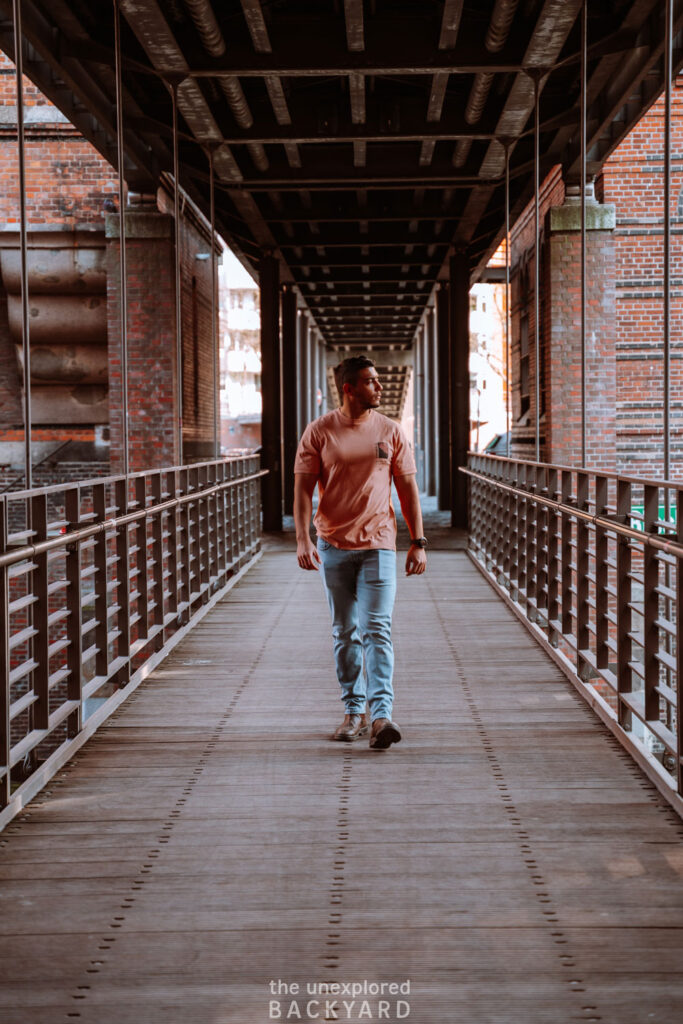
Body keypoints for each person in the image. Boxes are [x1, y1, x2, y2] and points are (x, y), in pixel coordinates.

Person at [293, 355, 427, 750]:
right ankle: (354, 711)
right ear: (349, 388)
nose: (379, 387)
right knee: (345, 632)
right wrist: (303, 539)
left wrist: (418, 541)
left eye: (379, 380)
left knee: (377, 630)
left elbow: (408, 490)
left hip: (379, 545)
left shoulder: (390, 431)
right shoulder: (319, 432)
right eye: (371, 381)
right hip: (333, 544)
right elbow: (302, 489)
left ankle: (381, 715)